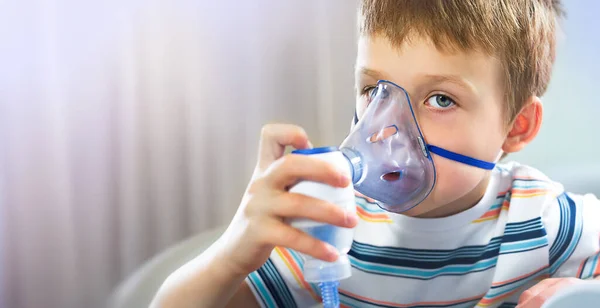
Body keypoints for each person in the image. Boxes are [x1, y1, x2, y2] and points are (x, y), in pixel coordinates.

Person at [151, 1, 600, 307]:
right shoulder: (326, 228)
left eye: (440, 99)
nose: (386, 127)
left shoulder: (539, 220)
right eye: (374, 91)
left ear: (516, 126)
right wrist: (234, 252)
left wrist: (576, 292)